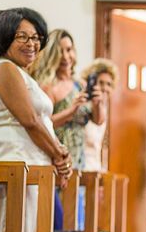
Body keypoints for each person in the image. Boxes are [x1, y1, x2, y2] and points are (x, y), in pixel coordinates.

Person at [0, 8, 72, 232]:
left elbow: (40, 121)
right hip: (17, 168)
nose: (31, 44)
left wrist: (58, 155)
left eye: (36, 37)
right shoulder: (4, 68)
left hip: (33, 169)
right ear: (4, 36)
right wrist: (59, 154)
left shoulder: (21, 73)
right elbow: (30, 121)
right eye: (22, 36)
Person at [30, 29, 105, 171]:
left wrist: (98, 103)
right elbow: (42, 124)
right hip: (56, 161)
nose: (65, 56)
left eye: (69, 50)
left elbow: (98, 120)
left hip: (79, 162)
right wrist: (72, 110)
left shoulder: (80, 85)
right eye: (60, 51)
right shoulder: (47, 86)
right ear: (52, 55)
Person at [80, 58, 118, 171]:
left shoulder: (104, 110)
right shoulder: (83, 107)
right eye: (101, 83)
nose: (105, 88)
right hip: (79, 169)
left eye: (109, 84)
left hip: (95, 170)